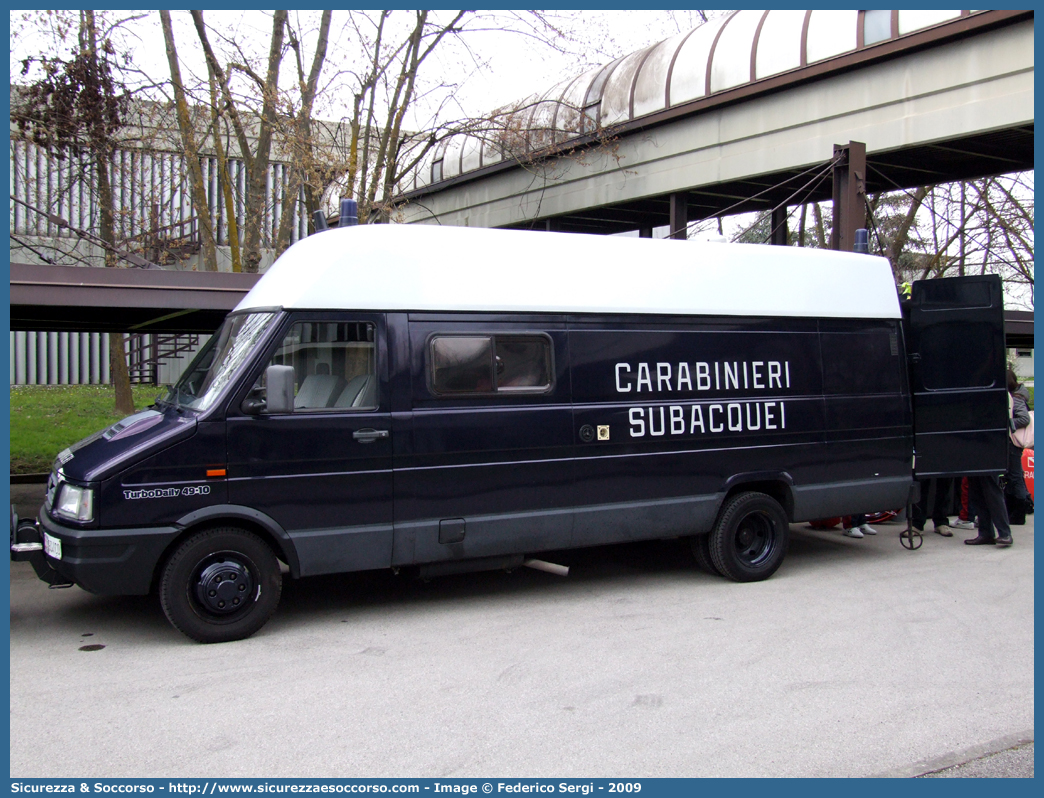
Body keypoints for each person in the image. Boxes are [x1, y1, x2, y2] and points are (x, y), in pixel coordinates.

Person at [1004, 368, 1033, 526]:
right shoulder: (1019, 395)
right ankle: (1016, 511)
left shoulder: (1016, 398)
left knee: (1015, 477)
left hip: (1013, 442)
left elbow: (1023, 419)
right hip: (1014, 442)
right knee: (1014, 476)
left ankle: (1019, 512)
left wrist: (1007, 424)